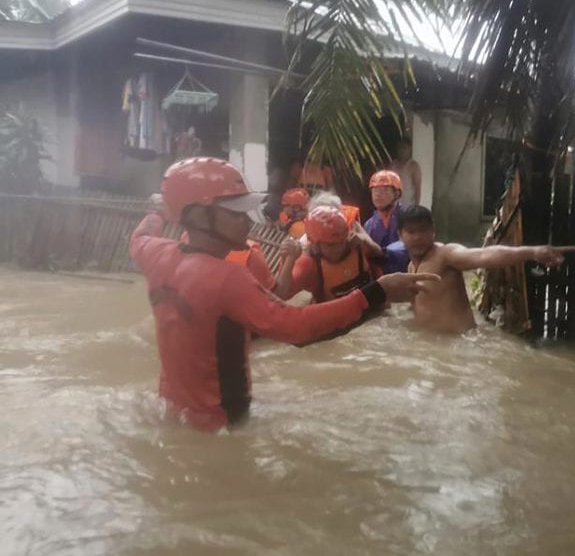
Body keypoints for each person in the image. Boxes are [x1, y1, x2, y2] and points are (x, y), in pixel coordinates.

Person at [129, 157, 438, 432]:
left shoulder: (156, 254)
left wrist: (159, 213)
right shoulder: (227, 278)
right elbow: (295, 327)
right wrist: (377, 293)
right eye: (236, 213)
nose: (248, 222)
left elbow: (139, 237)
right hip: (223, 424)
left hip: (172, 412)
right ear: (197, 217)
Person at [398, 205, 575, 334]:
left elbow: (483, 255)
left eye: (423, 230)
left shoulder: (445, 254)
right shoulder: (411, 267)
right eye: (411, 232)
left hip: (457, 347)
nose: (417, 237)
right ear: (400, 235)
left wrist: (532, 252)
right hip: (430, 348)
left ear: (433, 231)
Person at [277, 206, 383, 303]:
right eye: (330, 245)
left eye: (342, 242)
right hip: (341, 320)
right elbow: (282, 294)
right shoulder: (309, 263)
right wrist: (288, 261)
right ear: (315, 244)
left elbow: (381, 256)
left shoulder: (357, 245)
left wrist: (366, 240)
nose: (338, 249)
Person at [363, 170, 409, 274]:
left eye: (384, 190)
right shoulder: (369, 224)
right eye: (374, 190)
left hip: (404, 274)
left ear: (396, 194)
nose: (378, 195)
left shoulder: (407, 217)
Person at [390, 137, 421, 207]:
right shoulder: (392, 165)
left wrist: (416, 207)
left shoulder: (413, 166)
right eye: (400, 148)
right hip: (393, 205)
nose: (402, 150)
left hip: (408, 206)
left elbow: (417, 188)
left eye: (404, 148)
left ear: (409, 149)